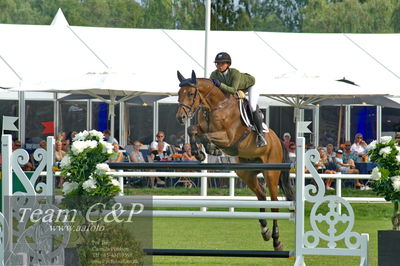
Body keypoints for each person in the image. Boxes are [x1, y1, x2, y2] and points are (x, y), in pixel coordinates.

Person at [209, 52, 266, 147]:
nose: (219, 66)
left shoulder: (234, 73)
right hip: (235, 89)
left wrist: (219, 84)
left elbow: (233, 90)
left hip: (250, 86)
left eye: (222, 64)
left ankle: (261, 136)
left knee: (252, 106)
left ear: (228, 65)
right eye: (217, 64)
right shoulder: (214, 74)